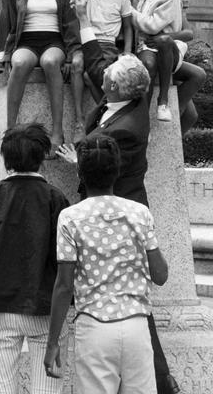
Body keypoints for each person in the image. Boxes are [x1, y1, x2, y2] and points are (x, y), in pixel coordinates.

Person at [56, 0, 180, 394]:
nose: (101, 81)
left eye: (106, 82)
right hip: (105, 206)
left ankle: (162, 383)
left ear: (116, 90)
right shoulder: (120, 102)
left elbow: (112, 169)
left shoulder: (127, 129)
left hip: (125, 209)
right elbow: (94, 64)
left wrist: (79, 163)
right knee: (125, 300)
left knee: (135, 302)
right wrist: (82, 18)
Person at [44, 135, 168, 394]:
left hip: (94, 328)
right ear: (118, 170)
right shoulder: (139, 213)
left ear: (79, 171)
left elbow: (64, 286)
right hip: (136, 325)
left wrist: (53, 341)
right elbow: (160, 274)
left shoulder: (70, 217)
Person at [0, 123, 69, 394]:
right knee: (47, 386)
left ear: (6, 158)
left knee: (0, 385)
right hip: (44, 304)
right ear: (41, 157)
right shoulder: (55, 198)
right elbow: (63, 258)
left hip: (0, 302)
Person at [4, 0, 80, 156]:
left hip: (53, 40)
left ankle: (57, 131)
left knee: (50, 62)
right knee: (19, 64)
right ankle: (11, 128)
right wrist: (7, 54)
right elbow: (11, 24)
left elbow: (70, 23)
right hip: (26, 40)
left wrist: (71, 55)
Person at [132, 0, 205, 125]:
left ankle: (170, 110)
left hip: (167, 52)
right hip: (148, 51)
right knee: (150, 64)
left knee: (197, 80)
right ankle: (154, 116)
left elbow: (188, 33)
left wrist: (163, 37)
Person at [71, 0, 134, 140]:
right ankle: (79, 120)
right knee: (76, 65)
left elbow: (128, 27)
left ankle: (107, 113)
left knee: (90, 76)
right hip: (87, 42)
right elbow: (80, 18)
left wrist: (128, 52)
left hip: (107, 46)